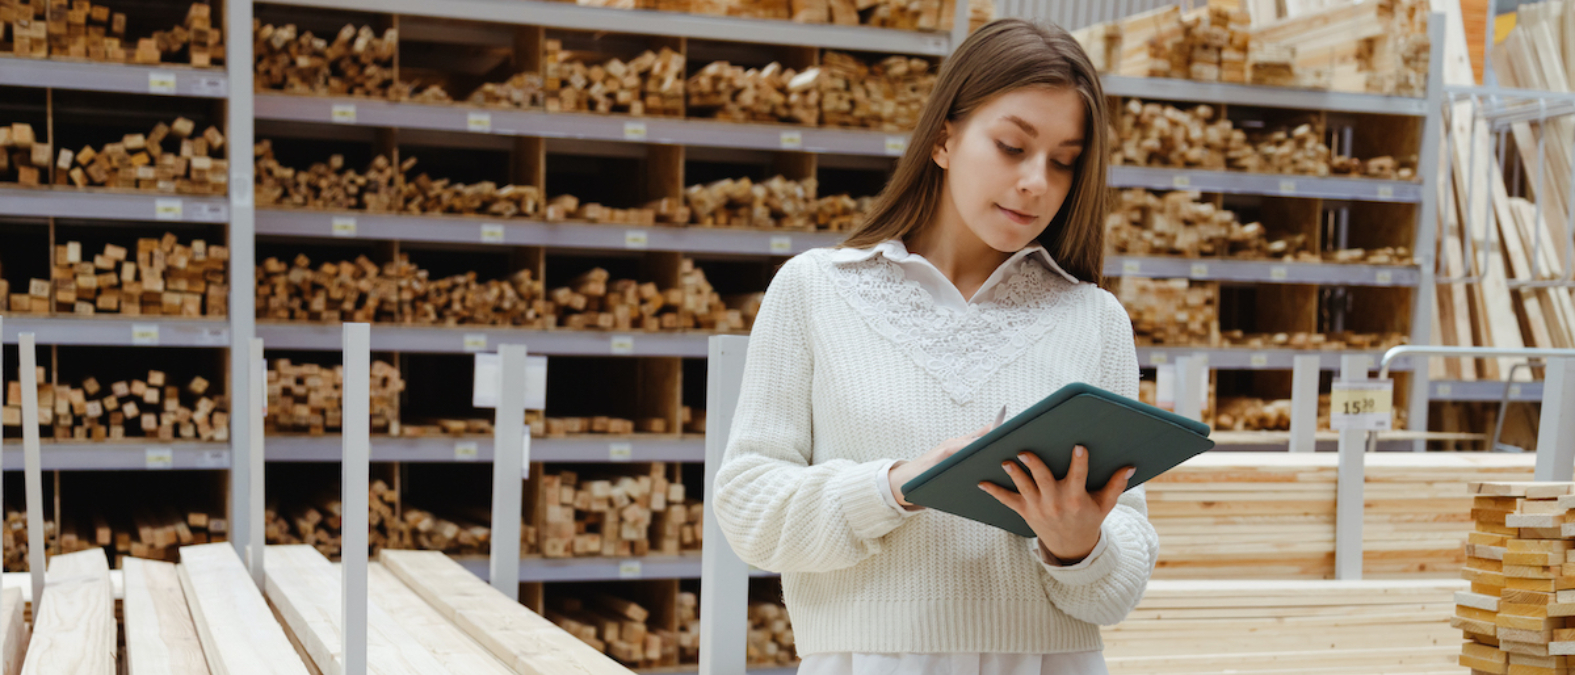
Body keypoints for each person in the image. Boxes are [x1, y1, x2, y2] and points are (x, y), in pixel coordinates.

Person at [711, 17, 1159, 675]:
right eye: (1011, 146)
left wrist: (1079, 545)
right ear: (943, 137)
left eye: (1064, 162)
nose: (1037, 181)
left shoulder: (1093, 319)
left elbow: (1119, 585)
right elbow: (748, 511)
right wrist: (894, 486)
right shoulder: (814, 290)